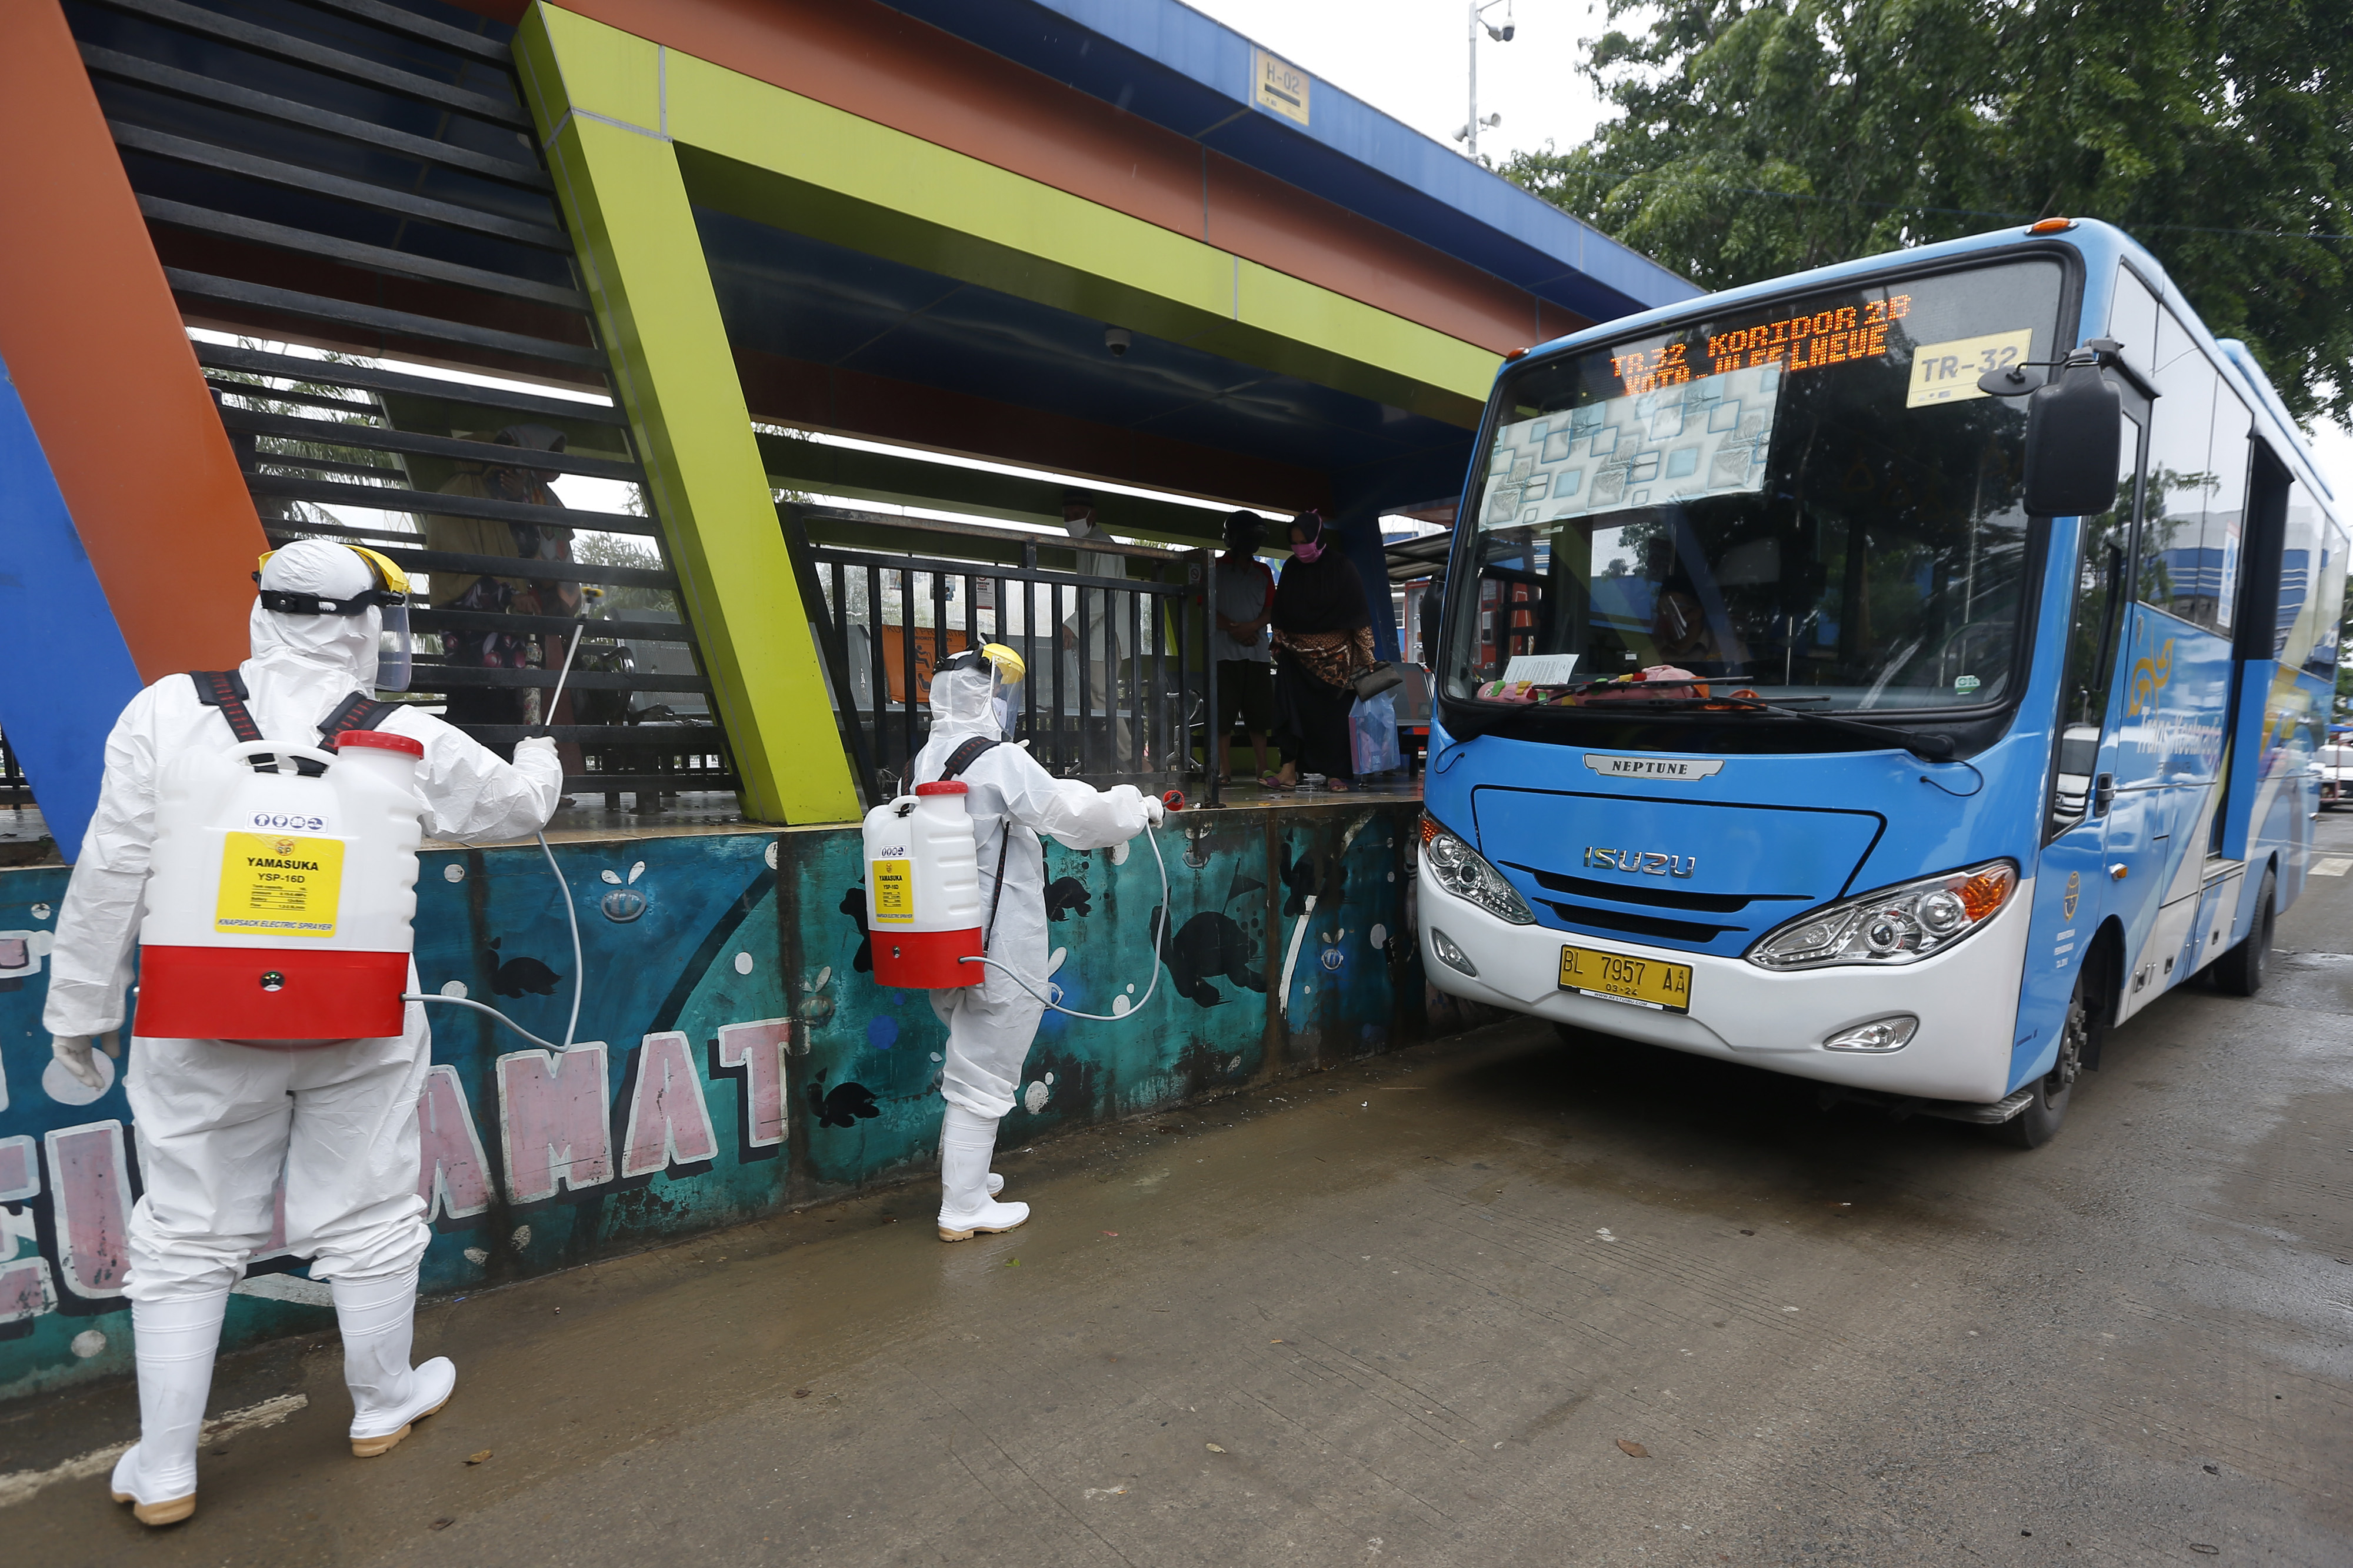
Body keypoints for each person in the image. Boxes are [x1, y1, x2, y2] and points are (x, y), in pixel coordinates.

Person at [44, 539, 563, 1527]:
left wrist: (80, 1010)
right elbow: (514, 809)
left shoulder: (166, 709)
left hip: (196, 1014)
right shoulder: (406, 730)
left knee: (186, 1232)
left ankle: (163, 1468)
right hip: (359, 1014)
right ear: (367, 623)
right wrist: (540, 759)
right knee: (368, 1207)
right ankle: (380, 1404)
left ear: (267, 612)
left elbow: (111, 866)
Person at [912, 645, 1161, 1240]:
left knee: (967, 1057)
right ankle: (963, 1206)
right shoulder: (996, 760)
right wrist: (1136, 806)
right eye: (1002, 689)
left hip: (943, 940)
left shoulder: (926, 757)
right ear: (985, 694)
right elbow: (1074, 816)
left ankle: (966, 1179)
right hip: (1000, 941)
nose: (1007, 702)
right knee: (985, 1069)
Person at [422, 423, 580, 753]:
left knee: (510, 709)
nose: (507, 470)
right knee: (477, 709)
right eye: (501, 461)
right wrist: (511, 595)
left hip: (512, 630)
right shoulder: (456, 496)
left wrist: (518, 507)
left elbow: (533, 554)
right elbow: (458, 571)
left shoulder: (512, 499)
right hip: (472, 630)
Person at [1269, 510, 1375, 791]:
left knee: (1332, 720)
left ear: (1318, 538)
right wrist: (1279, 637)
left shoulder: (1342, 568)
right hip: (1296, 657)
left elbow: (1359, 615)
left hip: (1336, 661)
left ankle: (1334, 775)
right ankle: (1288, 770)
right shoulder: (1291, 567)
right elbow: (1281, 608)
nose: (1300, 548)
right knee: (1289, 712)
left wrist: (1368, 656)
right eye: (1294, 542)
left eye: (1305, 541)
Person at [1057, 495, 1134, 770]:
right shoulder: (1088, 544)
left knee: (1102, 697)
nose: (1071, 520)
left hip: (1106, 636)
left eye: (1077, 513)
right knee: (1097, 698)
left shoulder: (1102, 544)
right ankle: (1113, 758)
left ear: (1092, 515)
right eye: (1067, 514)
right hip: (1096, 636)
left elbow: (1103, 596)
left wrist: (1072, 625)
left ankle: (1132, 759)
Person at [1208, 510, 1278, 785]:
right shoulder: (1214, 568)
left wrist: (1251, 628)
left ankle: (1263, 768)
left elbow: (1271, 609)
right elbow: (1207, 608)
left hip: (1257, 655)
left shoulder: (1264, 572)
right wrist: (1238, 630)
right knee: (1222, 715)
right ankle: (1225, 771)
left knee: (1258, 715)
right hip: (1224, 655)